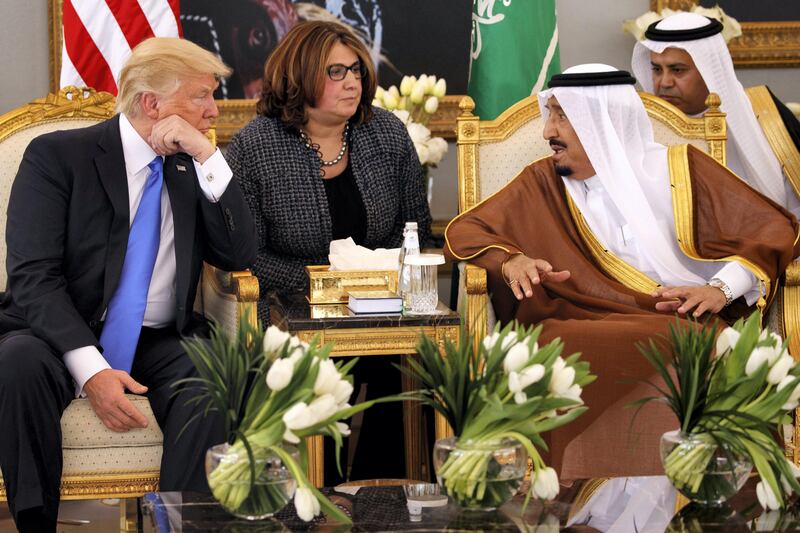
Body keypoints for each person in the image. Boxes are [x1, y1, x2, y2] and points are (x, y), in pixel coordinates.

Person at [444, 64, 800, 480]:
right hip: (576, 318)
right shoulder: (542, 181)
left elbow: (776, 227)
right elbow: (465, 230)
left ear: (603, 121)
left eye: (562, 116)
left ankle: (684, 492)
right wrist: (509, 259)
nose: (547, 132)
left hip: (676, 314)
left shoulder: (680, 169)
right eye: (549, 114)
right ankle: (574, 494)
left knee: (691, 338)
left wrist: (722, 288)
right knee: (565, 347)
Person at [0, 38, 257, 531]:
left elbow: (239, 253)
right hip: (58, 331)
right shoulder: (56, 156)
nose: (213, 109)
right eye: (202, 96)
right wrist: (91, 370)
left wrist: (207, 154)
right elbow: (33, 278)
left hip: (160, 337)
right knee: (17, 364)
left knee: (211, 377)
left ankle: (179, 526)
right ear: (151, 104)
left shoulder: (192, 164)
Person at [226, 20, 431, 483]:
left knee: (403, 366)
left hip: (381, 308)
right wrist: (328, 284)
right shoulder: (254, 147)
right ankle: (319, 495)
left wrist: (376, 280)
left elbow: (414, 229)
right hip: (289, 313)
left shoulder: (387, 134)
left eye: (356, 69)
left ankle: (379, 495)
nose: (352, 81)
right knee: (321, 374)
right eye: (335, 71)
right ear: (299, 77)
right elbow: (247, 255)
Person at [631, 12, 800, 219]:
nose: (664, 82)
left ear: (708, 69)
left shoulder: (765, 115)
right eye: (657, 69)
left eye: (677, 70)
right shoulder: (640, 128)